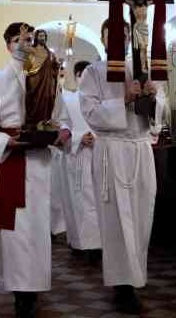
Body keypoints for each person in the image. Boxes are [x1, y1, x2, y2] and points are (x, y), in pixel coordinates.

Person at [0, 22, 64, 318]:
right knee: (15, 229)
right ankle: (19, 291)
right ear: (8, 46)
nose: (23, 44)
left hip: (40, 161)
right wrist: (4, 141)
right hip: (13, 160)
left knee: (38, 228)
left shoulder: (48, 75)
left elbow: (60, 116)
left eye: (28, 39)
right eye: (17, 39)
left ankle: (35, 287)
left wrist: (61, 132)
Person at [79, 19, 156, 314]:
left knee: (141, 217)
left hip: (140, 148)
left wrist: (153, 98)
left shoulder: (141, 69)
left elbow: (158, 115)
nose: (118, 39)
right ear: (102, 38)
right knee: (115, 220)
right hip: (111, 149)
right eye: (111, 35)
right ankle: (122, 286)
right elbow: (90, 112)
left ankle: (136, 277)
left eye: (123, 35)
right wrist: (124, 99)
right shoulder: (93, 72)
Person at [58, 60, 101, 261]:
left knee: (97, 200)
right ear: (75, 76)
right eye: (81, 74)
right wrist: (78, 138)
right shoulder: (67, 100)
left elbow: (111, 125)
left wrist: (96, 137)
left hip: (98, 154)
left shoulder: (100, 101)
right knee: (76, 200)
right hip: (75, 155)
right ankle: (78, 242)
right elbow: (61, 125)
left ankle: (97, 244)